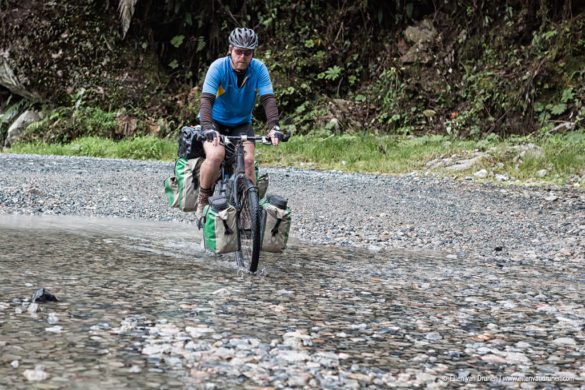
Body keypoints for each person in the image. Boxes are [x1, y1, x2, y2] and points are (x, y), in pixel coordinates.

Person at [196, 27, 283, 217]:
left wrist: (274, 126)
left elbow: (268, 98)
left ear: (253, 53)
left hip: (242, 123)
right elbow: (207, 100)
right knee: (215, 155)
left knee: (249, 160)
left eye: (248, 52)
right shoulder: (218, 67)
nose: (242, 56)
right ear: (230, 50)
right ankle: (202, 199)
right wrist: (208, 127)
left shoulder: (259, 69)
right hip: (215, 123)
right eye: (238, 51)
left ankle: (250, 210)